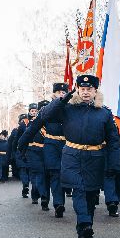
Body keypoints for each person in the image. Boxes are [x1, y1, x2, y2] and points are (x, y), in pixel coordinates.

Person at [20, 75, 120, 238]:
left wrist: (113, 165)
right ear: (77, 90)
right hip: (72, 156)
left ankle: (85, 225)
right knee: (79, 190)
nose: (86, 92)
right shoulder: (67, 109)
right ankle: (85, 223)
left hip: (95, 157)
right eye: (82, 89)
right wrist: (63, 99)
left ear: (96, 91)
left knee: (91, 193)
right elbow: (45, 114)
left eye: (89, 89)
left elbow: (113, 141)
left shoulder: (104, 113)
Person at [42, 82, 70, 217]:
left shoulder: (71, 107)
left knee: (69, 174)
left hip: (68, 144)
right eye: (59, 92)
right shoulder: (47, 107)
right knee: (55, 174)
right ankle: (59, 204)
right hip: (52, 145)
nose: (62, 94)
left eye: (64, 93)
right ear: (54, 94)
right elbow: (36, 126)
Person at [23, 104, 47, 206]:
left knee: (41, 174)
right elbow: (21, 139)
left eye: (35, 111)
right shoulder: (26, 123)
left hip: (43, 150)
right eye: (32, 111)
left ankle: (38, 195)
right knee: (35, 174)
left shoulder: (43, 122)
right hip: (31, 151)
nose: (33, 112)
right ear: (29, 112)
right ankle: (38, 196)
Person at [7, 113, 28, 194]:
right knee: (26, 170)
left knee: (23, 170)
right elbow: (11, 143)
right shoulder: (31, 127)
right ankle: (26, 185)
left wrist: (12, 155)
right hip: (24, 152)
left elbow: (11, 144)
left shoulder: (16, 130)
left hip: (21, 152)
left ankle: (25, 185)